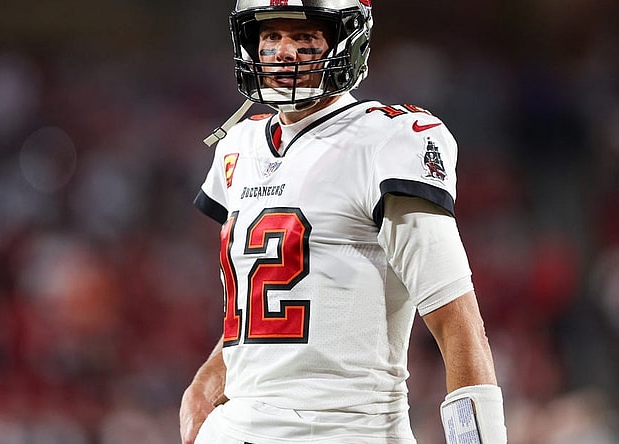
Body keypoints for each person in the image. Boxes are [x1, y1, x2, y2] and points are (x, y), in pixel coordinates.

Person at [181, 1, 508, 443]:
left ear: (345, 42)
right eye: (271, 36)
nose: (283, 52)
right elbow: (266, 304)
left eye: (304, 37)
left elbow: (456, 320)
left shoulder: (385, 140)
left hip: (345, 429)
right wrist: (211, 372)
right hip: (233, 428)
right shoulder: (239, 145)